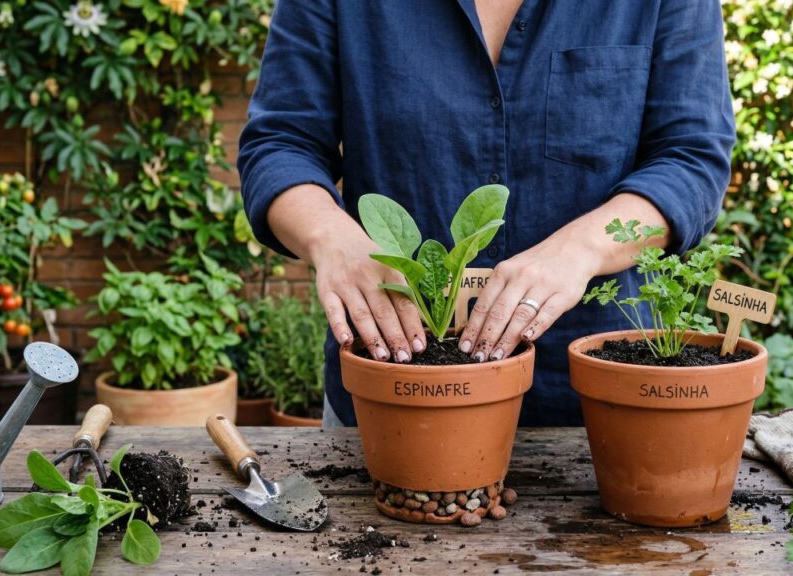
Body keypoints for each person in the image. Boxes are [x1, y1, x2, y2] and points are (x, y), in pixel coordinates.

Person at [238, 0, 735, 427]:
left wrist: (580, 249)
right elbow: (281, 143)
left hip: (599, 405)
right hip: (392, 397)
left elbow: (691, 158)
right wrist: (331, 237)